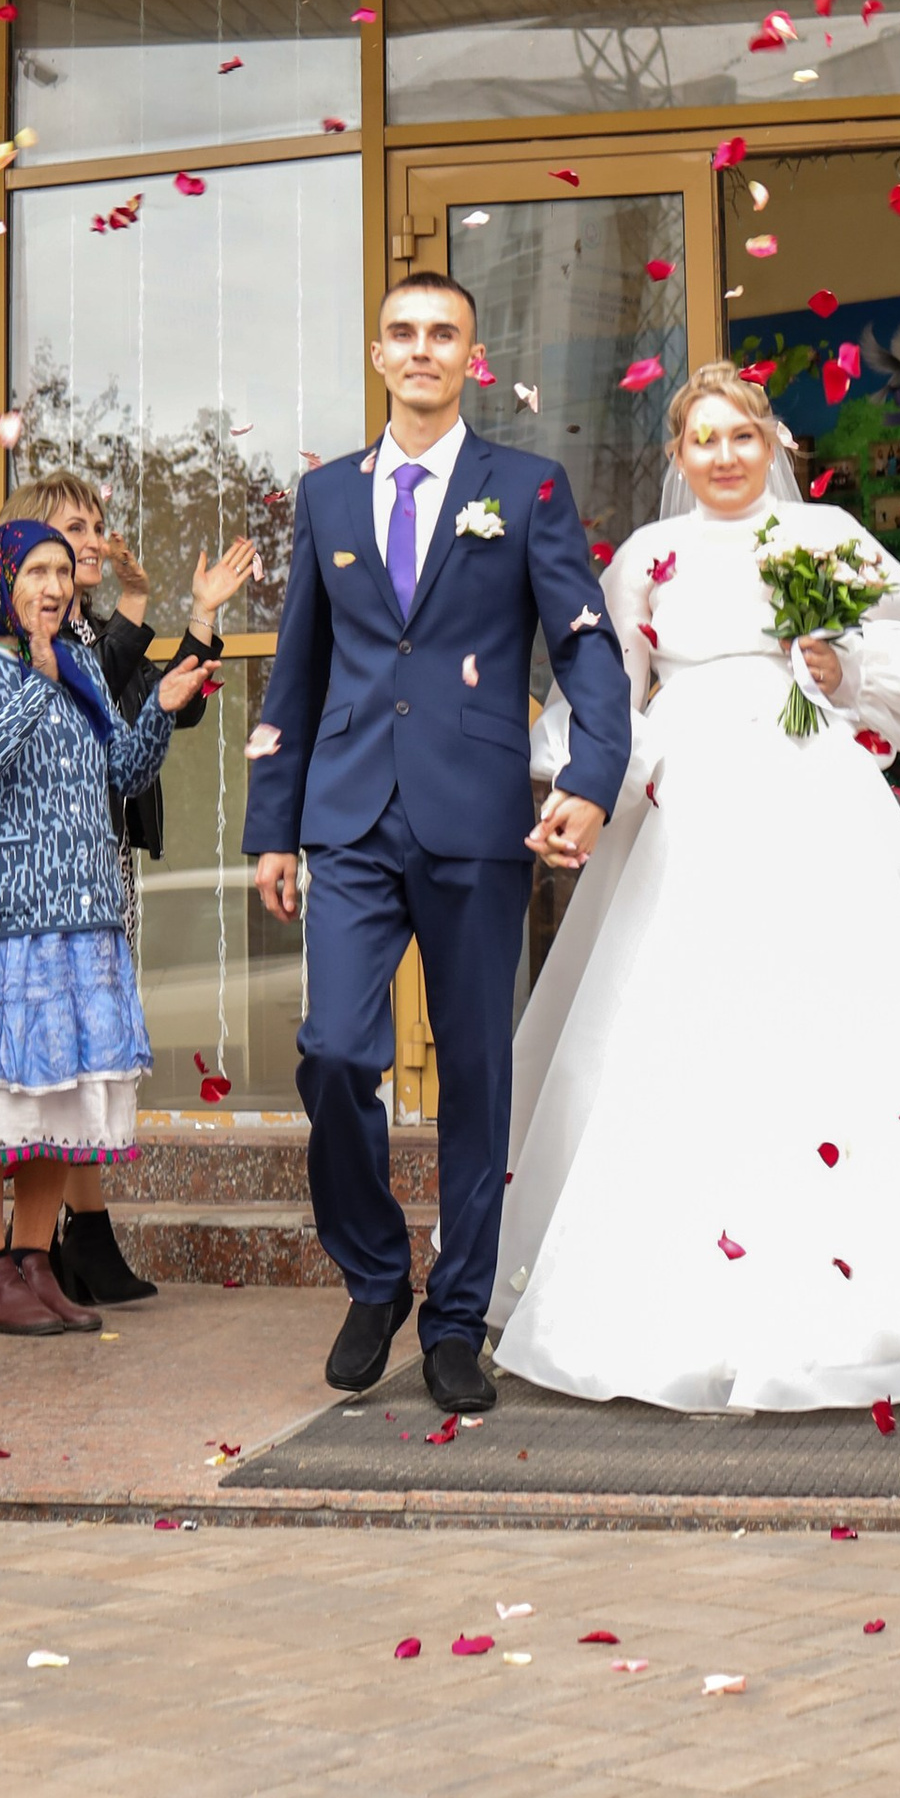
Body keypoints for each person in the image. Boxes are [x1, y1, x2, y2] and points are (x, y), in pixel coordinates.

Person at [487, 361, 900, 1411]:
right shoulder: (650, 560)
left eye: (740, 437)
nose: (722, 457)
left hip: (809, 789)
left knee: (842, 1015)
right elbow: (606, 684)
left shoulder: (826, 539)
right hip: (690, 798)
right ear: (677, 456)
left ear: (772, 444)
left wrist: (840, 669)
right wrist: (635, 768)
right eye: (701, 440)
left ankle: (896, 1303)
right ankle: (668, 1298)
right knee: (684, 1019)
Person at [244, 272, 633, 1414]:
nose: (422, 351)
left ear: (471, 355)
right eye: (403, 335)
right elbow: (297, 670)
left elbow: (584, 644)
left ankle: (457, 1318)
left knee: (475, 1078)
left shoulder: (528, 488)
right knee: (332, 1051)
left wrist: (592, 779)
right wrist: (274, 826)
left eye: (443, 336)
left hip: (477, 818)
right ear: (378, 355)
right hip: (350, 816)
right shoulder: (323, 497)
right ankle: (375, 1277)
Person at [0, 521, 213, 1332]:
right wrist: (36, 678)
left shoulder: (82, 661)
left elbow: (122, 772)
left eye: (61, 572)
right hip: (5, 919)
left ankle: (35, 1264)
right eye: (36, 571)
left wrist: (158, 706)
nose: (53, 586)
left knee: (59, 1105)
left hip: (86, 912)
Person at [2, 473, 256, 1305]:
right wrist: (145, 609)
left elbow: (165, 709)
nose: (93, 539)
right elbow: (101, 689)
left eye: (99, 525)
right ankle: (60, 1244)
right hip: (45, 871)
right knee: (63, 1055)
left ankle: (80, 1239)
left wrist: (201, 620)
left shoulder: (97, 627)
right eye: (74, 525)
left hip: (103, 857)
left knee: (92, 1056)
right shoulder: (20, 637)